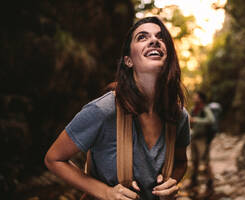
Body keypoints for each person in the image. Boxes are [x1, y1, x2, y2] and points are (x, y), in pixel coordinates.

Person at [44, 16, 190, 200]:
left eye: (161, 37)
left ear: (169, 57)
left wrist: (172, 183)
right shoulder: (103, 110)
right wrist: (105, 192)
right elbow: (54, 159)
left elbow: (181, 162)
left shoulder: (178, 116)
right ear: (128, 61)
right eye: (142, 37)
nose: (154, 40)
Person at [189, 91, 215, 187]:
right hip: (194, 138)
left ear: (201, 99)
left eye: (196, 96)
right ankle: (193, 180)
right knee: (194, 160)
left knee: (205, 160)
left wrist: (196, 120)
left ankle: (210, 181)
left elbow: (211, 120)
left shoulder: (205, 109)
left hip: (203, 138)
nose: (194, 98)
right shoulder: (193, 109)